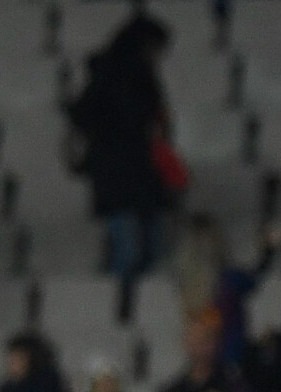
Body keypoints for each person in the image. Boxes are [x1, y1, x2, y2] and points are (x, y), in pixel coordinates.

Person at [67, 14, 176, 299]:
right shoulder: (111, 75)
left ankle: (136, 299)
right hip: (116, 168)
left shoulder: (138, 76)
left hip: (136, 167)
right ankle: (121, 300)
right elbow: (84, 114)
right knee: (129, 244)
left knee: (146, 242)